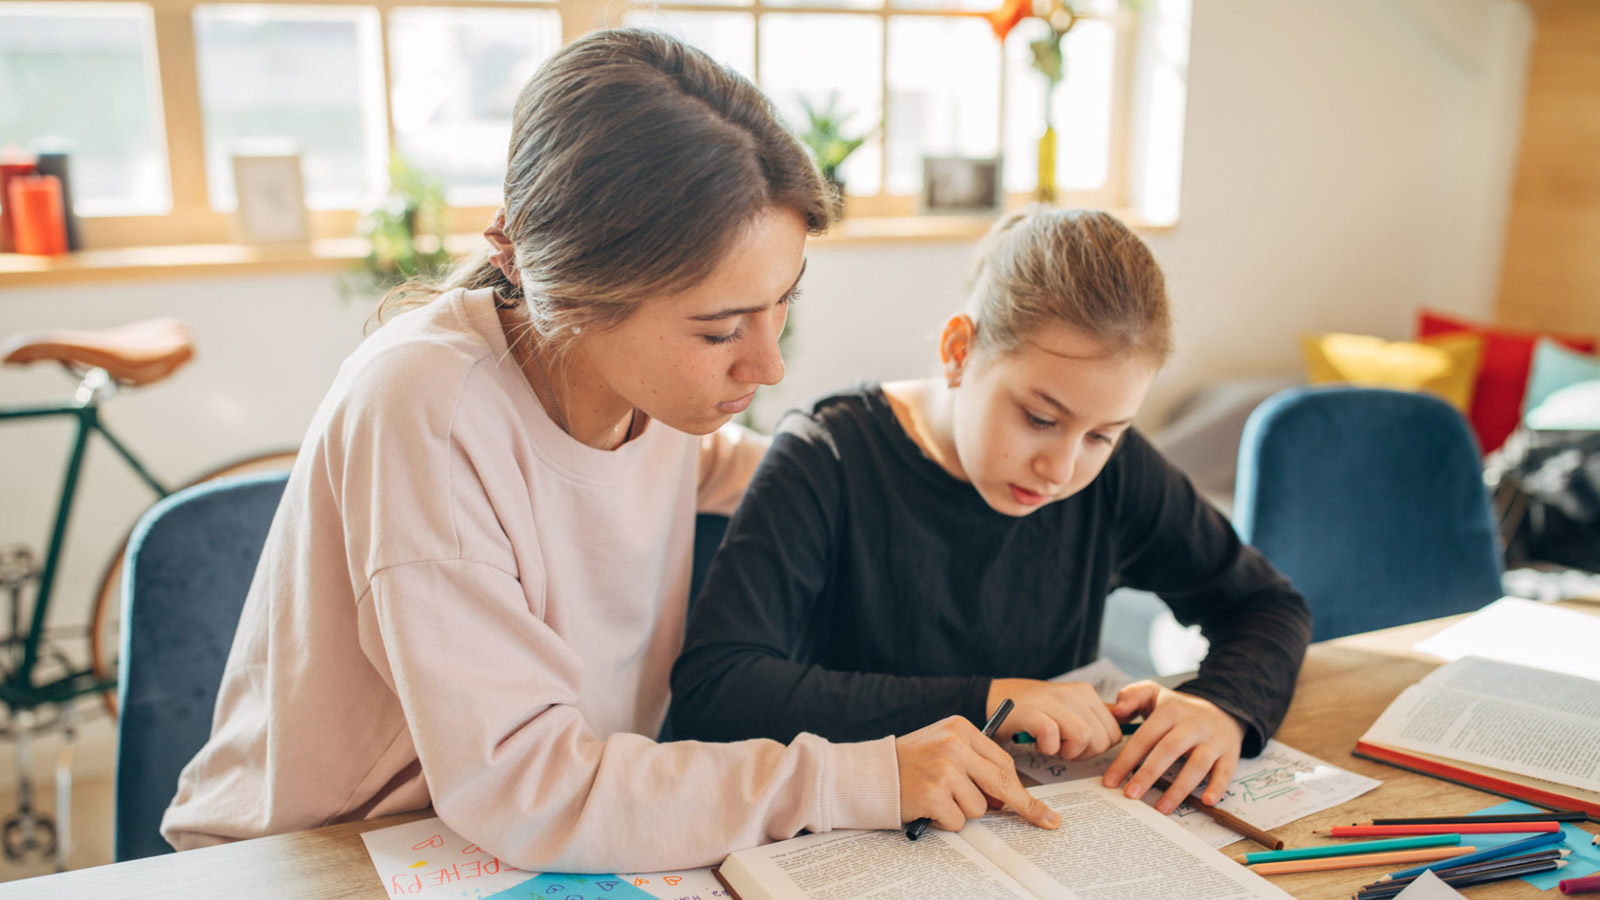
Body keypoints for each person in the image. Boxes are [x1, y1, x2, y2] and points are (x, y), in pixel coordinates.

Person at [160, 29, 1060, 873]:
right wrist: (855, 776)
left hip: (515, 835)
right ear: (575, 293)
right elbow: (528, 786)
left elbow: (792, 478)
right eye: (720, 331)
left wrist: (947, 451)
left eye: (782, 300)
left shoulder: (656, 402)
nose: (768, 363)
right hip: (323, 855)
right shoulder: (425, 410)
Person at [669, 207, 1314, 823]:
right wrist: (989, 701)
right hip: (855, 830)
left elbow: (1266, 604)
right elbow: (717, 689)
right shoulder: (828, 455)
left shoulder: (1116, 473)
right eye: (1040, 418)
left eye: (1102, 435)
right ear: (959, 351)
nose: (1061, 469)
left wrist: (1222, 705)